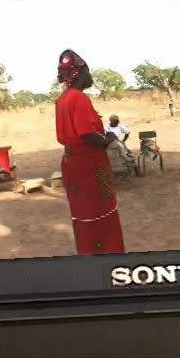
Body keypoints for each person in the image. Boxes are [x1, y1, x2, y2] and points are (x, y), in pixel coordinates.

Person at [55, 49, 125, 255]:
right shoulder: (79, 98)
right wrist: (107, 139)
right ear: (78, 74)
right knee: (100, 213)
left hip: (72, 163)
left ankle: (88, 254)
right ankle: (107, 256)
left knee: (83, 214)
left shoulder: (62, 99)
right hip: (90, 165)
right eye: (87, 72)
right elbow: (86, 133)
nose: (90, 76)